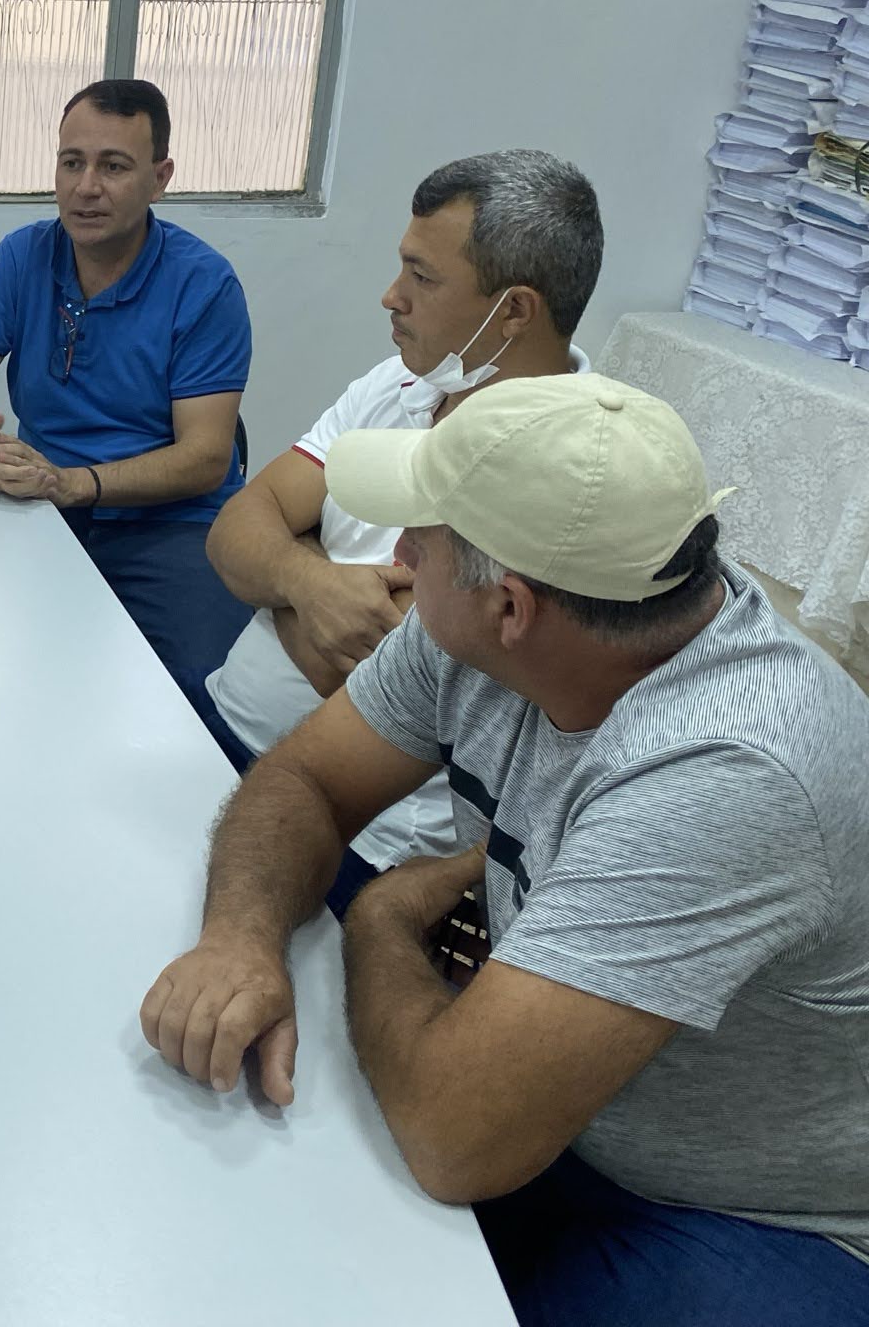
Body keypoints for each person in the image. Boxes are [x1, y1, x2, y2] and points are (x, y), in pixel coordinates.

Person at [140, 373, 869, 1326]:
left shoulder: (729, 771)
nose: (400, 555)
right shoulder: (507, 619)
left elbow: (454, 1139)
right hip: (558, 1100)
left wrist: (380, 915)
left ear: (512, 607)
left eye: (421, 535)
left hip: (749, 1213)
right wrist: (240, 937)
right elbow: (304, 780)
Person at [201, 150, 601, 917]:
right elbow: (234, 530)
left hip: (358, 834)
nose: (392, 296)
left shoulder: (565, 467)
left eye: (422, 277)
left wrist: (287, 563)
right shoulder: (404, 381)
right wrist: (312, 581)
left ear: (514, 313)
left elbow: (378, 678)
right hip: (222, 721)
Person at [0, 79, 251, 718]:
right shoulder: (24, 256)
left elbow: (207, 458)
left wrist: (75, 484)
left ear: (160, 179)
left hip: (173, 524)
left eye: (113, 167)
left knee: (202, 696)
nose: (85, 187)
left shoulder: (203, 284)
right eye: (72, 163)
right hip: (41, 506)